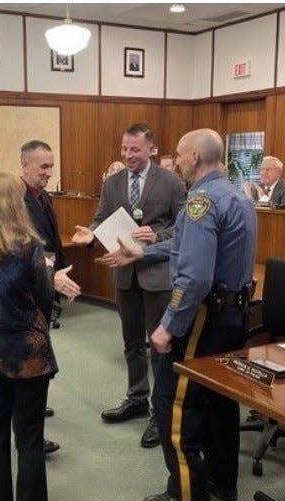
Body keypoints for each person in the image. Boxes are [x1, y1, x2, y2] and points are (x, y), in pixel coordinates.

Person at [97, 129, 256, 501]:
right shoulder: (237, 194)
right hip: (234, 313)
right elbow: (185, 244)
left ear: (195, 159)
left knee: (175, 402)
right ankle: (221, 480)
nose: (177, 161)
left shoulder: (200, 201)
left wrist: (169, 324)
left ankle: (187, 494)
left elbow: (195, 276)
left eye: (181, 156)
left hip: (204, 316)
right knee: (219, 400)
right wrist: (144, 251)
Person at [0, 171, 80, 501]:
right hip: (27, 355)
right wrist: (52, 280)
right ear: (16, 203)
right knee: (28, 436)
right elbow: (43, 300)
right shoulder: (30, 248)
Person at [72, 123, 186, 449]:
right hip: (124, 275)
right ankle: (137, 397)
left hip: (156, 274)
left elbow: (183, 229)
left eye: (134, 150)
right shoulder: (113, 182)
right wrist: (91, 235)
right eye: (124, 149)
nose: (127, 155)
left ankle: (158, 413)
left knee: (157, 346)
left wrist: (156, 236)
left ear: (151, 148)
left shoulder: (172, 182)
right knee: (131, 343)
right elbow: (101, 217)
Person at [20, 139, 67, 455]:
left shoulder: (43, 198)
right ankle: (28, 424)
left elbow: (50, 241)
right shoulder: (15, 201)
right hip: (27, 290)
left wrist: (59, 273)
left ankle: (35, 404)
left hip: (46, 285)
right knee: (31, 357)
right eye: (43, 167)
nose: (49, 173)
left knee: (41, 352)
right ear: (24, 165)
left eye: (51, 166)